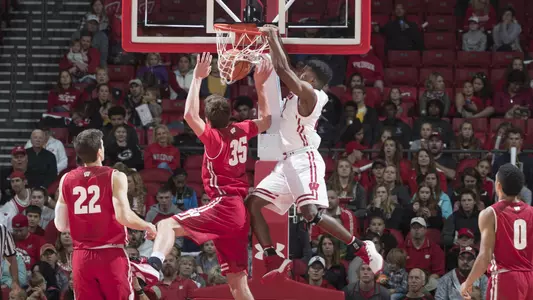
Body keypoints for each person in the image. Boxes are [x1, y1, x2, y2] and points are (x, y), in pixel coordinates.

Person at [246, 24, 383, 282]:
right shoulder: (298, 93)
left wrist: (272, 36)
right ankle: (272, 258)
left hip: (304, 158)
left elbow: (283, 69)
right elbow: (284, 66)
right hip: (286, 163)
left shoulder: (313, 94)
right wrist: (273, 45)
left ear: (310, 78)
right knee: (253, 204)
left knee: (311, 214)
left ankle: (360, 247)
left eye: (303, 71)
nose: (298, 73)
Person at [139, 53, 272, 300]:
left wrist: (198, 79)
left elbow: (190, 115)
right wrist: (261, 86)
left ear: (209, 120)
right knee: (237, 283)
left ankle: (153, 264)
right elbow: (266, 120)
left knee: (166, 224)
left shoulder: (214, 139)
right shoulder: (241, 129)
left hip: (224, 205)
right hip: (238, 213)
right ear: (231, 115)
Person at [54, 129, 157, 300]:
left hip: (81, 256)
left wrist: (84, 223)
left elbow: (60, 224)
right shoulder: (115, 176)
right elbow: (123, 216)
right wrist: (147, 225)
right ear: (100, 151)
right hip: (110, 254)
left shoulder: (66, 179)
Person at [461, 163, 533, 299]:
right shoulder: (532, 212)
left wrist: (468, 282)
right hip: (530, 278)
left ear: (498, 185)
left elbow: (485, 256)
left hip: (505, 277)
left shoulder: (490, 213)